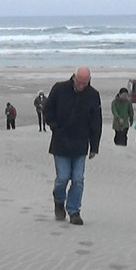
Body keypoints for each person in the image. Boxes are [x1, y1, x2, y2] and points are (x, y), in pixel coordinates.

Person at [43, 67, 102, 225]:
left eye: (85, 83)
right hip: (60, 142)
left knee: (78, 179)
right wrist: (54, 125)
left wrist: (94, 146)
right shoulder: (59, 88)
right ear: (74, 78)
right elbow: (47, 109)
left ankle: (74, 211)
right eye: (79, 82)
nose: (81, 85)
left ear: (89, 80)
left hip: (81, 144)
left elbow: (96, 122)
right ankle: (59, 201)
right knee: (62, 177)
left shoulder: (93, 95)